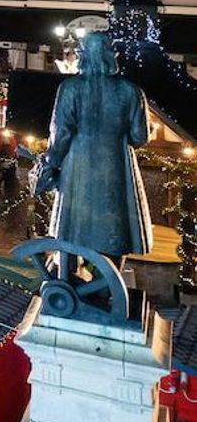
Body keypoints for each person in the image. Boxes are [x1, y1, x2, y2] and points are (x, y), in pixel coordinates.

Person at [39, 32, 152, 260]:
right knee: (114, 229)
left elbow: (60, 134)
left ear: (84, 56)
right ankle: (108, 285)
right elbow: (140, 137)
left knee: (72, 227)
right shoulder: (131, 91)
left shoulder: (70, 88)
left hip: (77, 166)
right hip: (116, 166)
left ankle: (67, 276)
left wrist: (50, 163)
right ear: (111, 56)